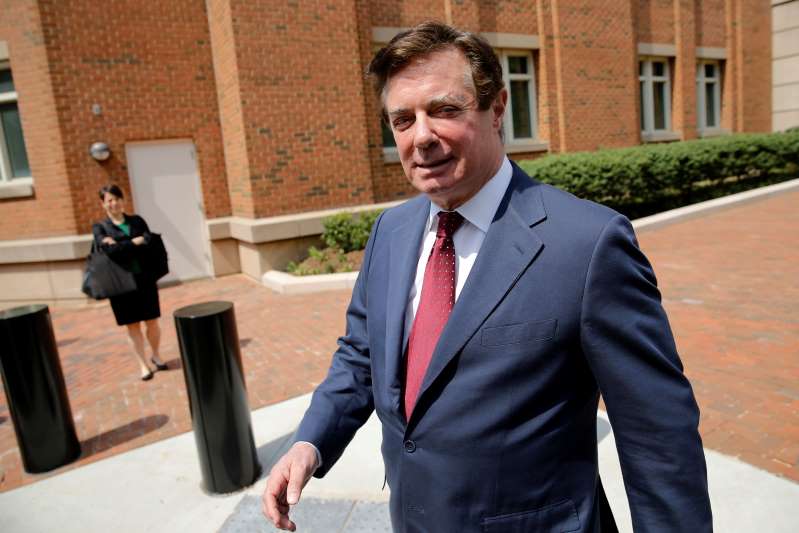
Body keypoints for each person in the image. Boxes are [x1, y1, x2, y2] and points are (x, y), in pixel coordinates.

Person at [263, 21, 712, 532]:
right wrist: (311, 441)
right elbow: (361, 354)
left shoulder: (588, 245)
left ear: (497, 109)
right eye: (403, 120)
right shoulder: (390, 231)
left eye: (444, 110)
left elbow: (658, 435)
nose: (421, 137)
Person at [92, 184, 168, 381]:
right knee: (132, 326)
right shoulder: (100, 228)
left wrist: (121, 245)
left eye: (117, 199)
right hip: (121, 285)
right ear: (103, 204)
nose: (114, 203)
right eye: (109, 200)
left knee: (152, 322)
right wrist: (135, 242)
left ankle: (156, 355)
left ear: (123, 200)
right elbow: (110, 251)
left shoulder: (137, 221)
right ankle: (143, 364)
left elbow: (149, 241)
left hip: (144, 280)